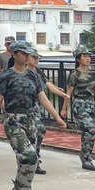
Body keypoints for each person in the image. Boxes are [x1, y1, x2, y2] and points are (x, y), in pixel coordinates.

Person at [0, 41, 66, 190]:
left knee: (29, 162)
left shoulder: (33, 76)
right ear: (14, 55)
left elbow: (43, 98)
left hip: (31, 120)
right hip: (14, 120)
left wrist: (57, 117)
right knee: (29, 157)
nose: (28, 57)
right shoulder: (6, 76)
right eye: (24, 53)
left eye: (29, 54)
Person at [61, 45, 95, 171]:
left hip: (90, 104)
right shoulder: (74, 74)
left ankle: (86, 156)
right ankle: (86, 156)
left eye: (89, 56)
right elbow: (69, 92)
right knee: (92, 129)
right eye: (84, 56)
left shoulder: (94, 74)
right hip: (79, 104)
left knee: (87, 132)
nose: (87, 59)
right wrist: (64, 108)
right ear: (78, 59)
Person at [26, 47, 69, 175]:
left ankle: (35, 160)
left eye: (38, 58)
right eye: (34, 57)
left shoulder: (38, 72)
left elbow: (48, 86)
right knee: (33, 133)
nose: (36, 60)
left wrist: (62, 95)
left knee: (39, 131)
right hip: (24, 108)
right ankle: (29, 159)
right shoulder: (21, 72)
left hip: (37, 107)